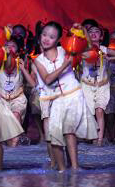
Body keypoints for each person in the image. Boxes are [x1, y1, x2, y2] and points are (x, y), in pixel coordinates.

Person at [34, 22, 98, 171]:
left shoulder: (65, 50)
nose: (46, 39)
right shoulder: (38, 60)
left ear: (57, 40)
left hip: (73, 95)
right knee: (55, 136)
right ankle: (62, 170)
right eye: (44, 35)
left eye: (51, 36)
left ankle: (75, 168)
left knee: (69, 132)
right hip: (56, 100)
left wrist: (83, 31)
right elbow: (48, 79)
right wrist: (64, 65)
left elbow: (89, 49)